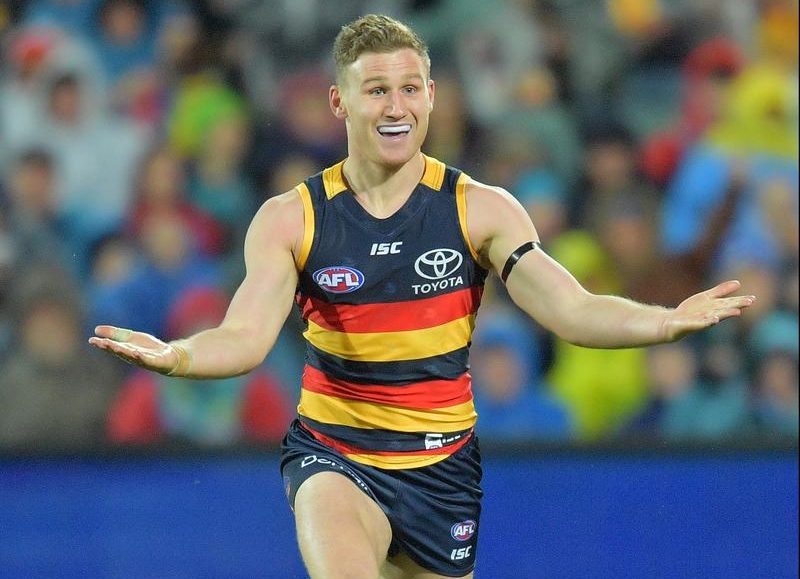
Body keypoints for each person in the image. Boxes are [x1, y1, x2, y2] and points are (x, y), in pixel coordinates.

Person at [89, 14, 756, 579]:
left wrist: (665, 322)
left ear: (432, 96)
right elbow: (245, 337)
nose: (396, 107)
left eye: (410, 89)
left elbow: (572, 308)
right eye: (376, 90)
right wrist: (179, 355)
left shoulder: (480, 210)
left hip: (442, 469)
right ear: (339, 102)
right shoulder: (293, 218)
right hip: (334, 455)